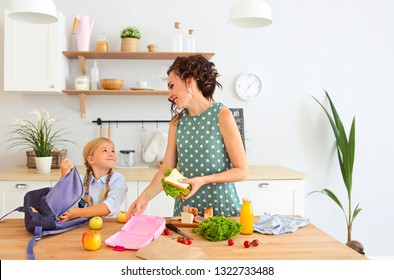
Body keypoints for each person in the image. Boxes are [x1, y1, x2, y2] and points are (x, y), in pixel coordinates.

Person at [127, 55, 248, 219]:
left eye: (171, 86)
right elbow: (166, 171)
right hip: (186, 212)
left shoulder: (222, 115)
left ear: (189, 81)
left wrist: (203, 180)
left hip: (221, 209)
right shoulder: (176, 123)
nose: (169, 95)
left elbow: (242, 171)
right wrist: (144, 198)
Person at [59, 137, 127, 220]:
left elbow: (109, 207)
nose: (111, 154)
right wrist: (64, 176)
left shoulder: (118, 180)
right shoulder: (79, 180)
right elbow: (62, 200)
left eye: (113, 151)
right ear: (91, 160)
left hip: (110, 226)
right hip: (83, 227)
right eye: (104, 150)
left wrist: (78, 213)